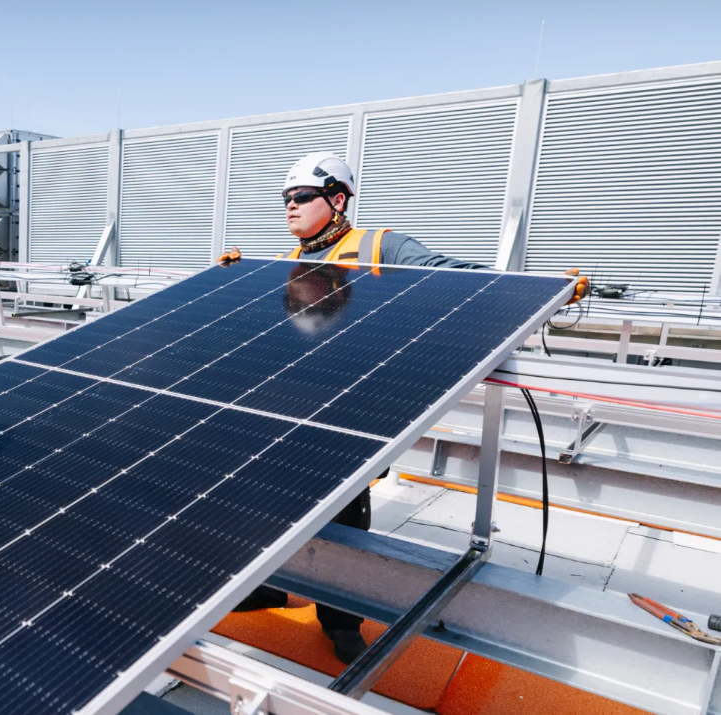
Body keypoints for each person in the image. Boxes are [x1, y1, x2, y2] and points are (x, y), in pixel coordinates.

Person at [231, 151, 587, 664]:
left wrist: (541, 291)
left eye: (302, 196)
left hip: (352, 410)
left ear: (336, 198)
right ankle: (267, 587)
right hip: (294, 404)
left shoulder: (380, 246)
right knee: (270, 502)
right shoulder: (289, 260)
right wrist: (238, 280)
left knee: (345, 522)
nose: (290, 207)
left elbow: (460, 279)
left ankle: (340, 620)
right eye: (285, 199)